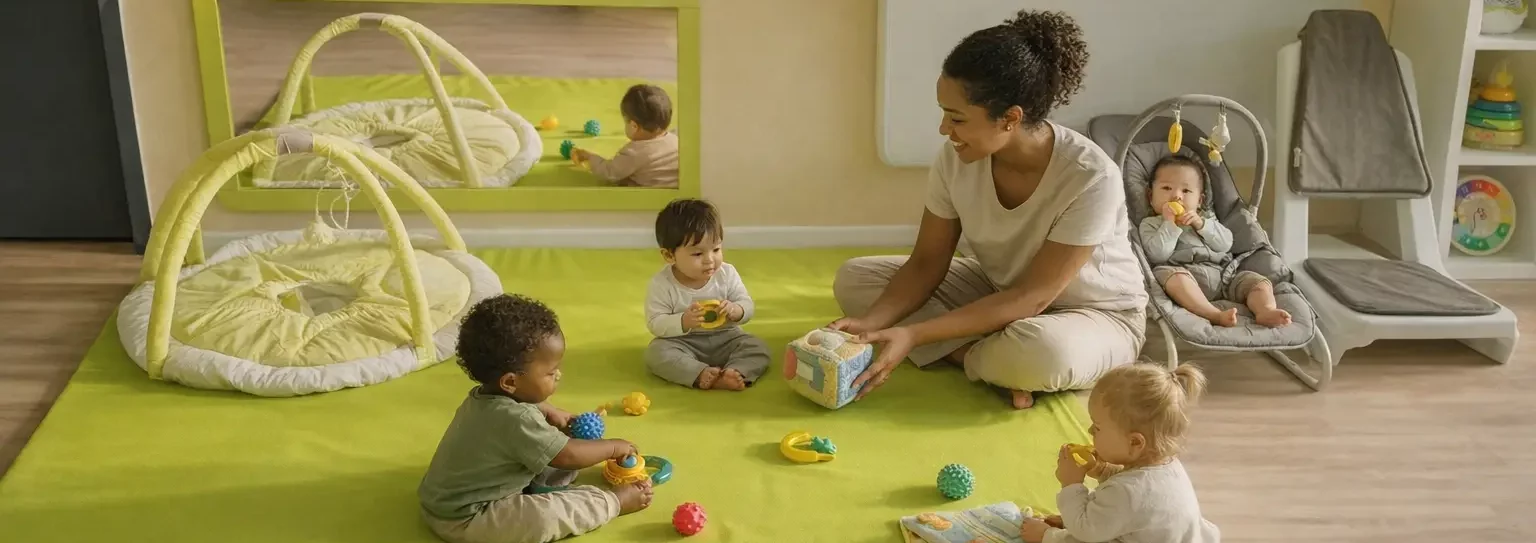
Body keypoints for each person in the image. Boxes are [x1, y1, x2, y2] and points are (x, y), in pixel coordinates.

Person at [829, 9, 1148, 409]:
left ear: (1010, 119)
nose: (945, 130)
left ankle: (984, 355)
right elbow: (927, 262)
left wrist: (915, 334)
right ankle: (985, 359)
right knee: (855, 280)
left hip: (1092, 314)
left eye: (957, 118)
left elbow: (1033, 297)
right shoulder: (955, 159)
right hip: (999, 291)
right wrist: (871, 325)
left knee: (1041, 353)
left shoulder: (1091, 176)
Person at [418, 294, 654, 543]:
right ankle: (613, 502)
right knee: (549, 515)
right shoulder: (516, 420)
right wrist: (613, 446)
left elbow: (520, 413)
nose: (559, 375)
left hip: (440, 501)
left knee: (546, 441)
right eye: (551, 372)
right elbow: (568, 456)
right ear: (511, 381)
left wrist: (547, 409)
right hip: (469, 519)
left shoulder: (483, 397)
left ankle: (541, 483)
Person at [1020, 362, 1221, 543]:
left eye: (1097, 427)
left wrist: (1070, 485)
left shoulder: (1127, 493)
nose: (1090, 431)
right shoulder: (1167, 466)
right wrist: (1101, 470)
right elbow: (1130, 495)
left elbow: (1086, 531)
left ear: (1134, 442)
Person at [1140, 154, 1291, 328]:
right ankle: (1214, 314)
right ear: (1151, 196)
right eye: (1166, 188)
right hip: (1182, 274)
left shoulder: (1207, 219)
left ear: (1200, 201)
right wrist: (1169, 224)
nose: (1176, 196)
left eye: (1186, 191)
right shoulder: (1151, 224)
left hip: (1223, 276)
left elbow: (1226, 244)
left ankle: (1265, 310)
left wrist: (1201, 224)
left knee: (1259, 282)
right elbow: (1158, 255)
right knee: (1171, 278)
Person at [643, 198, 771, 390]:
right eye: (697, 254)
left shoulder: (727, 274)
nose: (710, 260)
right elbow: (655, 323)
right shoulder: (661, 284)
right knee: (656, 353)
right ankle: (700, 373)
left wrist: (736, 310)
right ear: (669, 256)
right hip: (682, 342)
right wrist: (683, 321)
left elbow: (747, 304)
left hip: (727, 337)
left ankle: (735, 372)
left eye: (716, 249)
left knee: (757, 347)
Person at [571, 84, 679, 188]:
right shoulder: (677, 140)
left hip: (653, 194)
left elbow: (609, 172)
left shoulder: (633, 153)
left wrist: (590, 157)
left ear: (634, 126)